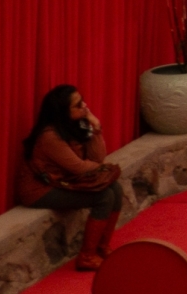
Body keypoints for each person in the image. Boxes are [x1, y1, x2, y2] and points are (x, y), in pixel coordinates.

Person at [17, 85, 122, 271]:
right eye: (78, 104)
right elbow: (79, 168)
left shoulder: (76, 125)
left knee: (116, 188)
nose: (85, 106)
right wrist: (102, 169)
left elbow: (97, 158)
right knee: (104, 197)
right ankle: (87, 257)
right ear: (63, 112)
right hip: (41, 189)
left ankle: (102, 246)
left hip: (65, 181)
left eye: (82, 101)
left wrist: (95, 128)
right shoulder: (50, 136)